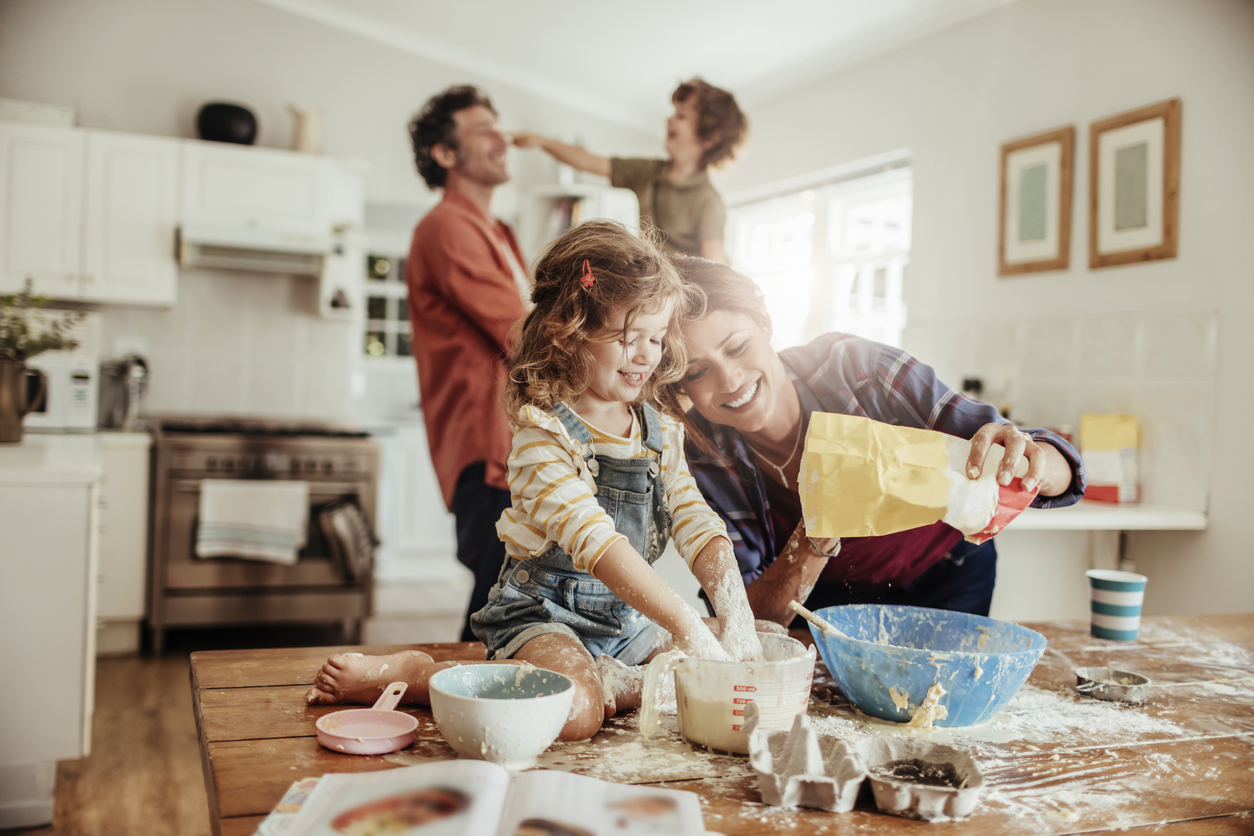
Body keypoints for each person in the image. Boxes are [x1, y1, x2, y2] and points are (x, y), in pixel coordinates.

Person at [307, 222, 763, 742]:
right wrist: (685, 624)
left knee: (739, 648)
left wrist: (734, 611)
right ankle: (419, 674)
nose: (645, 355)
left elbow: (694, 519)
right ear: (567, 332)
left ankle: (611, 681)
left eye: (656, 338)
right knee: (575, 715)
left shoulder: (661, 434)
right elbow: (597, 544)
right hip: (545, 618)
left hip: (624, 626)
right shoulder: (541, 441)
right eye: (626, 337)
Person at [658, 257, 1087, 626]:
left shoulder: (860, 372)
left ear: (766, 324)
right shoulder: (700, 460)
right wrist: (816, 532)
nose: (729, 380)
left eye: (737, 347)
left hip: (946, 578)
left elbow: (1058, 472)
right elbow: (746, 619)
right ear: (680, 386)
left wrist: (1035, 462)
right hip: (824, 607)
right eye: (697, 373)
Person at [404, 85, 531, 641]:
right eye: (483, 130)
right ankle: (453, 717)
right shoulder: (446, 227)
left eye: (499, 126)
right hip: (488, 454)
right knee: (497, 609)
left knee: (504, 604)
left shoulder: (497, 232)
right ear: (446, 154)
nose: (500, 137)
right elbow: (521, 333)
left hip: (508, 447)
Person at [511, 79, 748, 262]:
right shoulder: (647, 171)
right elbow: (589, 161)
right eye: (674, 112)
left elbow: (716, 267)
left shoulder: (707, 201)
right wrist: (542, 141)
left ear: (711, 138)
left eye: (681, 116)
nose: (670, 120)